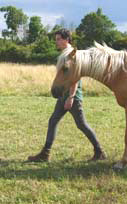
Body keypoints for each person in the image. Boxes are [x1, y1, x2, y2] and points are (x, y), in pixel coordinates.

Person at [28, 29, 106, 162]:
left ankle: (99, 152)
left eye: (58, 39)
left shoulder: (71, 54)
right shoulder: (65, 53)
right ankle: (45, 154)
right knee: (53, 121)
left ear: (66, 39)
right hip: (64, 95)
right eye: (56, 39)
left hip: (72, 96)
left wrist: (71, 97)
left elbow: (74, 77)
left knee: (81, 125)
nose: (56, 42)